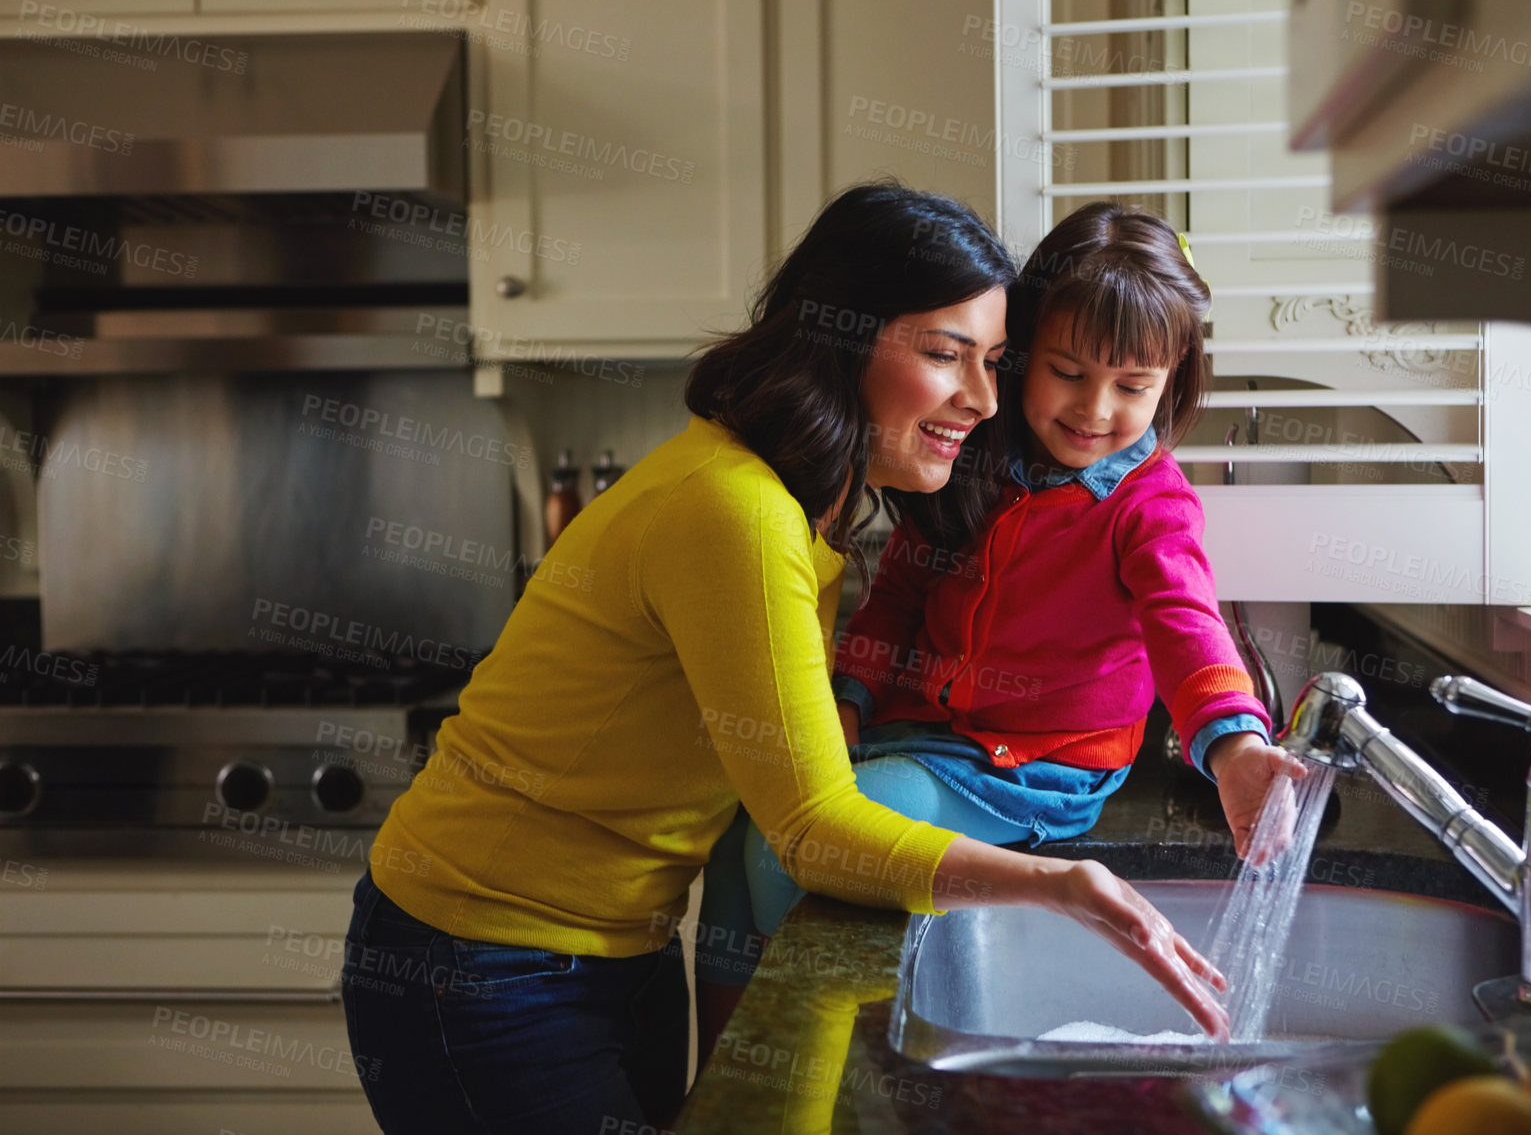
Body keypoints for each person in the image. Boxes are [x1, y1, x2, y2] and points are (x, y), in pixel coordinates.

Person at [340, 183, 1230, 1135]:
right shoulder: (742, 511)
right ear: (842, 340)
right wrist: (1059, 884)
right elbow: (807, 831)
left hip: (607, 949)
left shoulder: (802, 499)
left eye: (995, 363)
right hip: (479, 959)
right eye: (944, 354)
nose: (982, 399)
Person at [723, 201, 1311, 947]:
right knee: (747, 827)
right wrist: (849, 704)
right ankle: (740, 1059)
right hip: (915, 734)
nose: (1095, 409)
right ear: (1023, 354)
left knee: (797, 847)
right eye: (1067, 372)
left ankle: (816, 1051)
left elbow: (1187, 624)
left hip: (1032, 770)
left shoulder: (1150, 505)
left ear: (1173, 382)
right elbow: (896, 599)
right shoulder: (969, 461)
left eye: (1133, 387)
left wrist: (1236, 750)